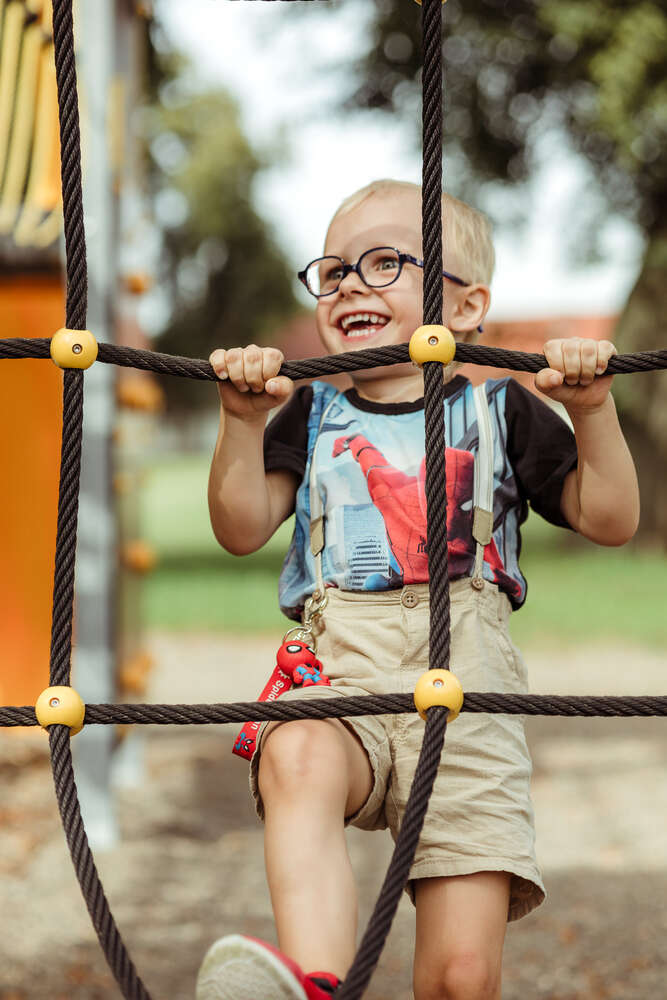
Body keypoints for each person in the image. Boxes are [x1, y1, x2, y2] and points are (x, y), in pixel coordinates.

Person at [197, 179, 639, 1000]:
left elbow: (610, 519)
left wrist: (595, 410)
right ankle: (318, 983)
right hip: (347, 679)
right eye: (332, 272)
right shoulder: (312, 413)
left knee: (461, 979)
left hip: (467, 699)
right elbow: (239, 526)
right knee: (294, 748)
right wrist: (240, 420)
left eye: (383, 262)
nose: (350, 284)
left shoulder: (502, 408)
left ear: (466, 307)